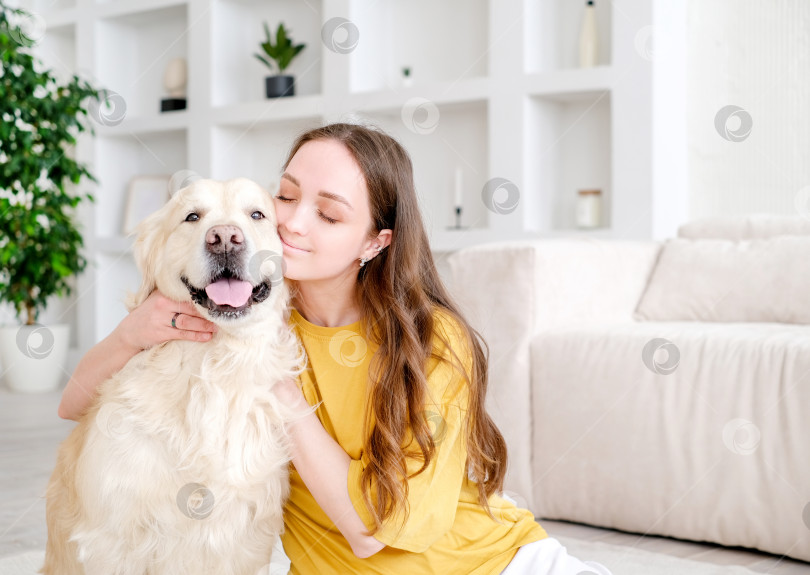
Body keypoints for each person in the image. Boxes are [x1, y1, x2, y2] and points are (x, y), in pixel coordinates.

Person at [59, 123, 612, 575]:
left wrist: (272, 375)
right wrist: (133, 330)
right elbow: (77, 405)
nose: (293, 223)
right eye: (286, 196)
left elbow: (372, 531)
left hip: (494, 567)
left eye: (328, 214)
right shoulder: (246, 306)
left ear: (375, 241)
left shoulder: (432, 341)